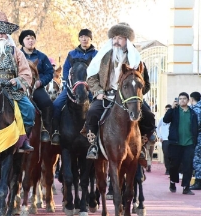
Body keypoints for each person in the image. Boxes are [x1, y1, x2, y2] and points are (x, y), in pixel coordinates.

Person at [84, 22, 155, 160]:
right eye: (114, 38)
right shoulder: (103, 57)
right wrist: (98, 91)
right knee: (92, 113)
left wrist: (136, 96)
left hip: (130, 98)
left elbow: (145, 84)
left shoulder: (137, 61)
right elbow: (91, 77)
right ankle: (93, 145)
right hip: (106, 95)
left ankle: (142, 146)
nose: (116, 41)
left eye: (120, 38)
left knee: (149, 116)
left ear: (127, 40)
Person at [0, 11, 35, 152]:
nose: (0, 36)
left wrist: (17, 81)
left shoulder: (17, 52)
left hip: (12, 89)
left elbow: (26, 72)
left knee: (29, 109)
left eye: (3, 33)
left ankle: (24, 140)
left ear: (7, 34)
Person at [51, 29, 97, 145]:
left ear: (90, 39)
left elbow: (98, 71)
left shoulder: (96, 54)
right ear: (79, 39)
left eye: (87, 37)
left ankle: (95, 134)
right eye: (82, 37)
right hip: (72, 87)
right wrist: (67, 81)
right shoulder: (72, 54)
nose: (84, 39)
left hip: (90, 87)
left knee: (95, 108)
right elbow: (66, 69)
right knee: (56, 105)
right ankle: (56, 131)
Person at [19, 29, 54, 142]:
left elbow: (49, 73)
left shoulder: (42, 57)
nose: (30, 41)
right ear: (22, 41)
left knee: (47, 103)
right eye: (27, 38)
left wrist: (41, 82)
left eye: (32, 38)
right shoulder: (16, 55)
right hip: (19, 87)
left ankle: (46, 130)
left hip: (36, 88)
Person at [164, 92, 198, 195]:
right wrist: (171, 109)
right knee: (174, 165)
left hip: (189, 144)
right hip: (175, 143)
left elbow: (195, 127)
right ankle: (172, 182)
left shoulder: (192, 113)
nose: (182, 100)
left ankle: (186, 187)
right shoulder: (174, 111)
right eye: (180, 99)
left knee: (188, 166)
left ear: (188, 100)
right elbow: (166, 120)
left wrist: (194, 140)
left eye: (184, 99)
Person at [189, 91, 201, 190]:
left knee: (197, 159)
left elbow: (195, 125)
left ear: (192, 99)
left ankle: (198, 182)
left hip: (198, 137)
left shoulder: (196, 109)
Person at [157, 104, 173, 175]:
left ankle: (173, 169)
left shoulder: (173, 118)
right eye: (166, 109)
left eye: (169, 110)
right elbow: (157, 128)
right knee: (166, 155)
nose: (167, 111)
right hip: (164, 139)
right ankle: (168, 169)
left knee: (172, 155)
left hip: (172, 139)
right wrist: (160, 136)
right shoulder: (162, 118)